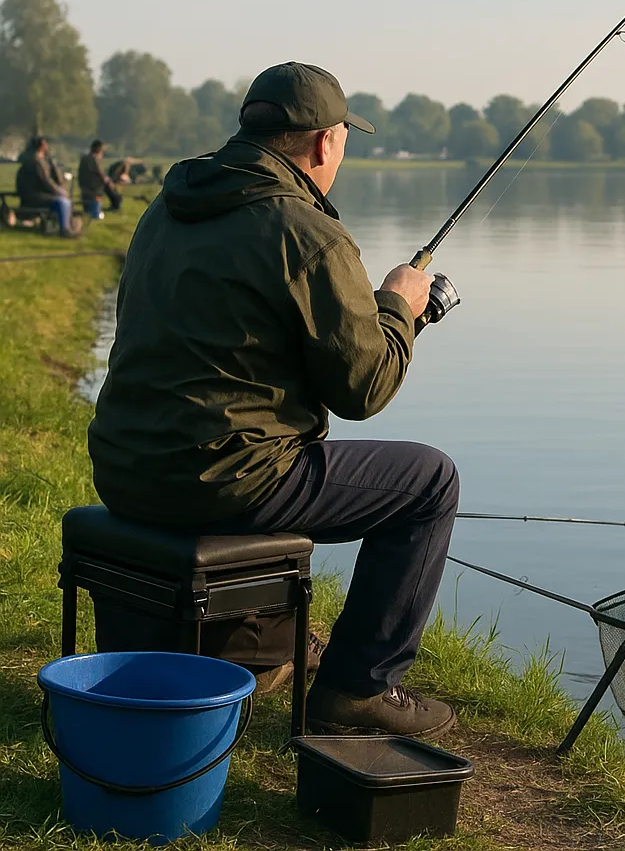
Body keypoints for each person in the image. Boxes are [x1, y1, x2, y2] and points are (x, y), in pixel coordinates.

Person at [88, 62, 459, 739]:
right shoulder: (308, 234)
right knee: (429, 482)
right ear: (323, 143)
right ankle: (357, 690)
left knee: (283, 442)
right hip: (218, 480)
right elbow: (364, 389)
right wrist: (400, 308)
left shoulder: (166, 208)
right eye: (345, 138)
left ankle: (267, 643)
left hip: (124, 467)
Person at [16, 136, 77, 238]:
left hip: (31, 195)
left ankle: (66, 227)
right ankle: (65, 230)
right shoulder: (37, 161)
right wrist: (60, 192)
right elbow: (46, 181)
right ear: (42, 146)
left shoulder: (32, 159)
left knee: (64, 200)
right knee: (63, 201)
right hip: (34, 197)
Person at [78, 140, 123, 219]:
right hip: (93, 187)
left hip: (84, 186)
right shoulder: (94, 159)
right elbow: (102, 176)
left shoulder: (85, 158)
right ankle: (116, 204)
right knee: (109, 186)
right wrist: (110, 183)